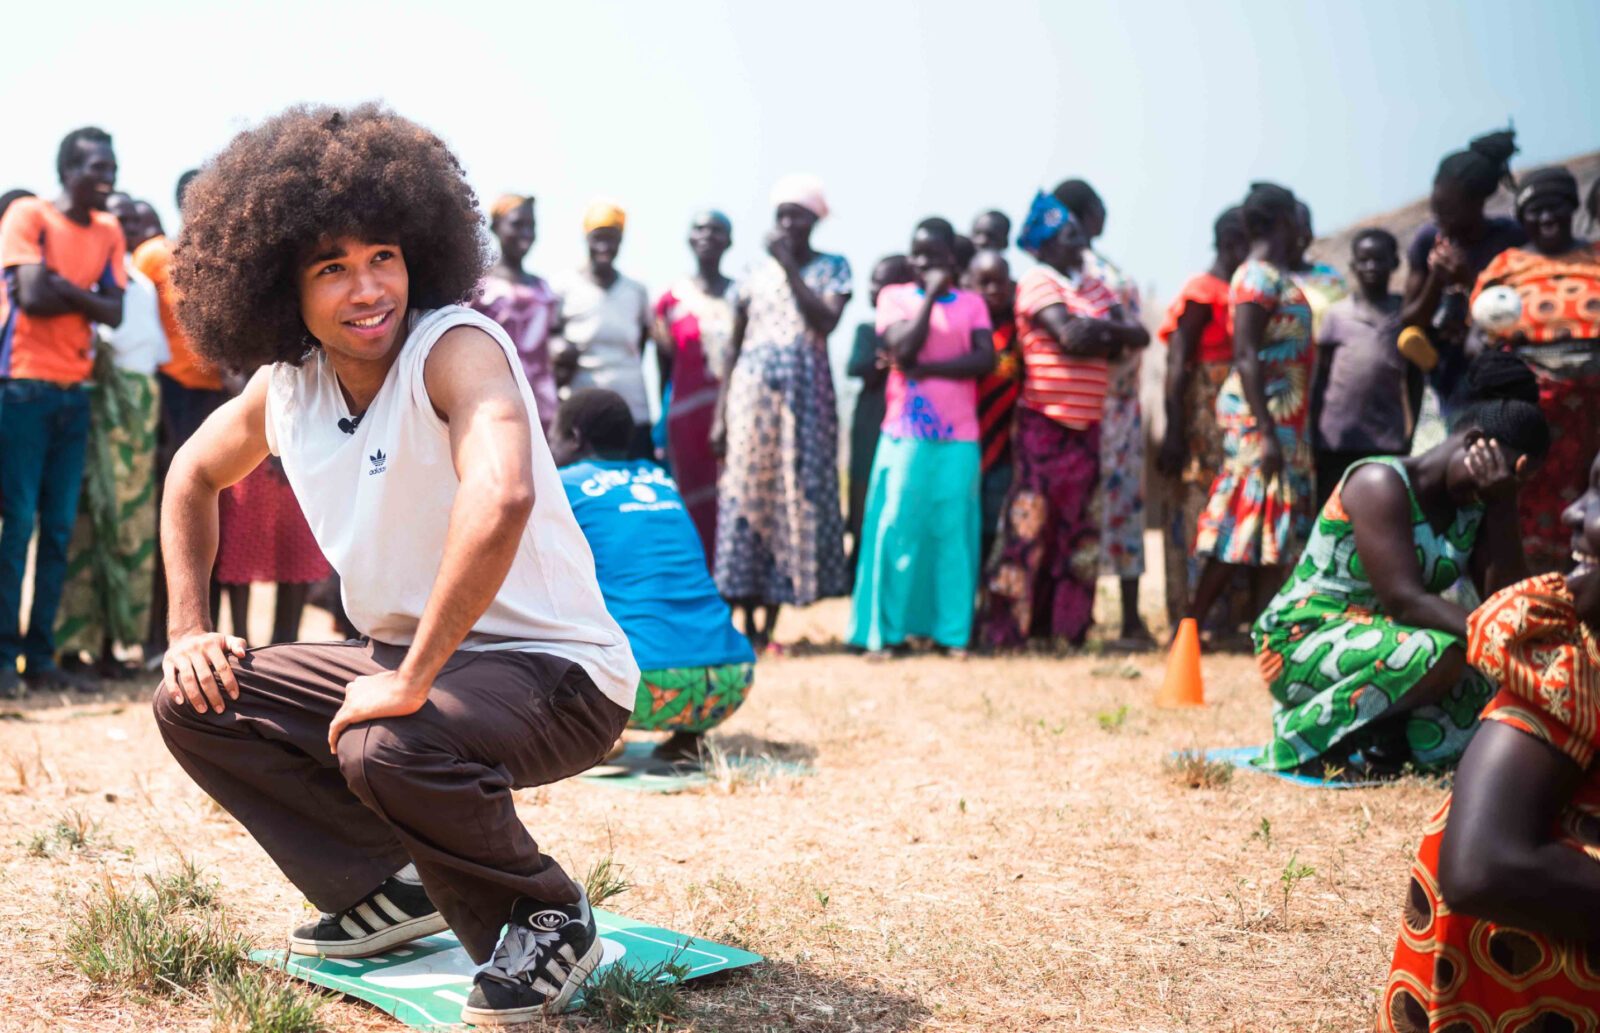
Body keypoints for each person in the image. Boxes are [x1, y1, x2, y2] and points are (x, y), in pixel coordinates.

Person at [149, 105, 637, 1024]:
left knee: (384, 742)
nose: (367, 287)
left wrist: (411, 678)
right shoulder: (287, 388)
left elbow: (503, 494)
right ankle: (390, 885)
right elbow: (191, 475)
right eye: (331, 267)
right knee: (196, 697)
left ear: (420, 254)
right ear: (280, 286)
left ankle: (545, 913)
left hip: (558, 674)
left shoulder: (454, 348)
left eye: (384, 255)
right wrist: (187, 629)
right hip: (414, 665)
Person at [1377, 446, 1600, 1031]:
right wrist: (1494, 628)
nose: (1572, 511)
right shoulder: (1379, 484)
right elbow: (1483, 868)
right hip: (1509, 988)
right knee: (1438, 653)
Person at [1254, 353, 1547, 775]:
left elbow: (1506, 602)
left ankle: (1388, 739)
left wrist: (1503, 505)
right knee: (1441, 654)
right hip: (1302, 636)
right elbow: (1404, 601)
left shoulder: (1479, 503)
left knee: (1494, 682)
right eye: (1507, 473)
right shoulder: (1380, 483)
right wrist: (1498, 641)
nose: (1505, 484)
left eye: (1517, 482)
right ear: (1473, 442)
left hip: (1387, 642)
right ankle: (1312, 737)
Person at [977, 191, 1145, 650]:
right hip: (1043, 424)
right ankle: (1007, 631)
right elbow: (1069, 337)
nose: (1079, 242)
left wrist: (1101, 331)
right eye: (1069, 235)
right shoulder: (1038, 281)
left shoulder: (1094, 285)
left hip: (1088, 426)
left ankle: (1065, 630)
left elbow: (1137, 335)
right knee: (1029, 528)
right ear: (1046, 244)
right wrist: (1107, 334)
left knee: (1079, 531)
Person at [551, 389, 755, 763]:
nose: (549, 449)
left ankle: (593, 736)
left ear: (575, 438)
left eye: (553, 438)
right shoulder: (660, 478)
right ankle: (688, 738)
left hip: (636, 689)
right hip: (728, 683)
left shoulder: (563, 484)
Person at [0, 127, 127, 698]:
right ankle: (4, 659)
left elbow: (116, 312)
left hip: (76, 395)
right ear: (67, 170)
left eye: (112, 167)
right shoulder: (28, 215)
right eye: (97, 167)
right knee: (18, 525)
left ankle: (40, 657)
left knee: (56, 530)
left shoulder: (109, 230)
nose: (108, 177)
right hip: (23, 389)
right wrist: (87, 297)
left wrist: (63, 286)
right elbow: (30, 298)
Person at [710, 174, 852, 653]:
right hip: (750, 401)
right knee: (746, 497)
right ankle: (740, 617)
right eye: (782, 216)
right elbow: (733, 347)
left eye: (798, 217)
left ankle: (770, 620)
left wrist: (790, 266)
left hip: (806, 404)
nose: (788, 224)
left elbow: (825, 321)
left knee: (789, 500)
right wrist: (720, 415)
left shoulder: (834, 268)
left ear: (815, 221)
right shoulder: (752, 272)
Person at [848, 218, 994, 658]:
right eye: (917, 254)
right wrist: (929, 296)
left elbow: (984, 359)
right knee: (898, 527)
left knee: (952, 533)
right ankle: (888, 633)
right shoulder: (894, 298)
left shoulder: (972, 304)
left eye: (934, 255)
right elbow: (903, 348)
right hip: (906, 434)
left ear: (952, 257)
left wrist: (930, 370)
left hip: (959, 437)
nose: (923, 262)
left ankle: (952, 634)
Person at [1186, 183, 1317, 636]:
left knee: (1271, 531)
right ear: (1282, 220)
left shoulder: (1276, 275)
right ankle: (1189, 627)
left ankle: (1266, 636)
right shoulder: (1256, 277)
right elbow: (1245, 355)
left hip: (1284, 420)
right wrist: (1265, 431)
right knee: (1239, 524)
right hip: (1261, 420)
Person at [55, 192, 169, 680]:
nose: (121, 226)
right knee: (87, 522)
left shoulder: (140, 284)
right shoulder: (85, 275)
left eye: (129, 219)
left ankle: (112, 646)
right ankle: (71, 647)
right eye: (114, 217)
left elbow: (152, 360)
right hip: (94, 405)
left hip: (137, 415)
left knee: (129, 530)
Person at [1470, 164, 1600, 573]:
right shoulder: (1505, 266)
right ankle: (1528, 589)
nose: (1547, 217)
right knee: (1526, 492)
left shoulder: (1596, 256)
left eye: (1556, 206)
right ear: (1521, 218)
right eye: (1535, 210)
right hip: (1531, 408)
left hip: (1593, 415)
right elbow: (1477, 334)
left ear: (1573, 207)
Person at [1054, 178, 1153, 646]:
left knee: (1091, 512)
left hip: (1087, 407)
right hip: (1106, 408)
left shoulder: (1069, 275)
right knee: (1116, 512)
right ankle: (1125, 620)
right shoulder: (1102, 277)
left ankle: (1084, 619)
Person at [139, 168, 231, 662]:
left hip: (214, 399)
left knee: (209, 518)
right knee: (171, 512)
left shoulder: (225, 261)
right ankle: (155, 639)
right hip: (167, 395)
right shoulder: (155, 255)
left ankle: (204, 629)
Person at [1155, 207, 1248, 625]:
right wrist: (1174, 431)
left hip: (1230, 424)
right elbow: (1177, 363)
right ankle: (1192, 613)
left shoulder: (1242, 291)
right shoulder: (1202, 291)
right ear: (1231, 243)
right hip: (1201, 421)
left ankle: (1226, 613)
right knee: (1195, 509)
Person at [1399, 130, 1523, 426]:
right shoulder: (1427, 240)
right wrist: (1436, 278)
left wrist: (1469, 280)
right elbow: (1410, 320)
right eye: (1436, 207)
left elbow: (1519, 314)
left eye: (1449, 211)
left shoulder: (1509, 239)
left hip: (1498, 379)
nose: (1439, 218)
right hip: (1444, 382)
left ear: (1477, 203)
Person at [653, 210, 739, 562]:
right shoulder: (670, 300)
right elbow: (664, 368)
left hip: (737, 417)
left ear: (729, 241)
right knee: (688, 500)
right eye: (700, 229)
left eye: (717, 230)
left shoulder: (741, 295)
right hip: (686, 421)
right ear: (689, 238)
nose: (707, 236)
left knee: (733, 498)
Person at [1310, 228, 1415, 509]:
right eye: (1364, 260)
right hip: (1336, 439)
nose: (1371, 267)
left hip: (1384, 438)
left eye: (1379, 259)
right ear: (1353, 265)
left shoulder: (1404, 314)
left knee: (1380, 509)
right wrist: (1313, 433)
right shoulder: (1337, 315)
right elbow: (1320, 379)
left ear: (1395, 263)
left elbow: (1414, 379)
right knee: (1334, 511)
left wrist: (1411, 433)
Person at [550, 200, 653, 457]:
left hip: (632, 408)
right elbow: (551, 336)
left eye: (612, 239)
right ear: (586, 238)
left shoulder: (636, 291)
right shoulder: (564, 286)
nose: (604, 247)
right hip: (582, 413)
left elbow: (641, 344)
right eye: (598, 238)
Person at [845, 254, 914, 578]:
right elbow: (855, 367)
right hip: (869, 419)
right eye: (872, 281)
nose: (873, 289)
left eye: (882, 282)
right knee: (861, 483)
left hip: (902, 421)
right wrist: (880, 362)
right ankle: (857, 557)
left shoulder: (916, 332)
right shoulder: (867, 330)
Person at [473, 194, 559, 433]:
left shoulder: (542, 287)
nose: (526, 233)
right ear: (495, 227)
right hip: (494, 396)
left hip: (541, 400)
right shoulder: (477, 286)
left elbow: (553, 337)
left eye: (531, 226)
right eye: (517, 224)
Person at [970, 250, 1022, 566]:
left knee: (994, 524)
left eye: (1000, 282)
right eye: (984, 283)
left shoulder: (1019, 329)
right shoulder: (963, 328)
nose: (993, 290)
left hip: (1005, 445)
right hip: (965, 442)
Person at [1288, 199, 1349, 336]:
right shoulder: (1271, 279)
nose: (1301, 235)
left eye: (1306, 226)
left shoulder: (1330, 275)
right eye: (1295, 228)